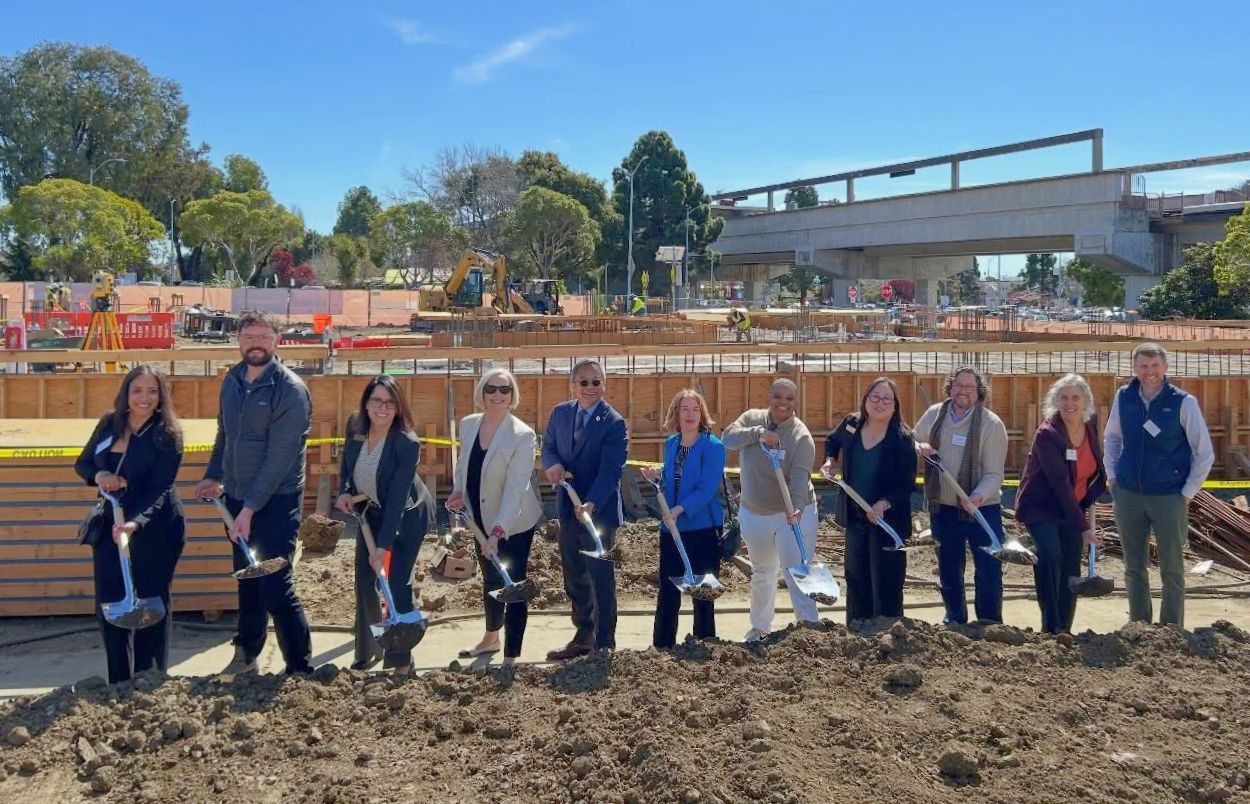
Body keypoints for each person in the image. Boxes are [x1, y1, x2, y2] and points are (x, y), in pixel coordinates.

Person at [194, 310, 313, 676]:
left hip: (276, 502)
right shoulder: (232, 381)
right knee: (247, 581)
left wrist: (248, 510)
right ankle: (246, 653)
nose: (255, 343)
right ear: (239, 341)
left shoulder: (289, 390)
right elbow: (224, 434)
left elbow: (280, 458)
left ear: (277, 340)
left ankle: (299, 666)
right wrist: (213, 475)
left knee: (276, 585)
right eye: (249, 337)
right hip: (237, 498)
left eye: (263, 336)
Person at [75, 366, 186, 685]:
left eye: (152, 391)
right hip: (111, 524)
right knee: (111, 602)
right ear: (126, 393)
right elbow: (82, 464)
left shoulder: (167, 434)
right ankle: (119, 683)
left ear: (161, 396)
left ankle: (149, 680)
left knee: (151, 601)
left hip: (156, 527)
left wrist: (135, 524)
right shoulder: (109, 424)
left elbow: (160, 489)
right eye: (137, 390)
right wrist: (99, 477)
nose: (144, 398)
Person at [1104, 343, 1213, 628]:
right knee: (1134, 566)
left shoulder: (1183, 402)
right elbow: (1112, 438)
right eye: (1143, 366)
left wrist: (1187, 493)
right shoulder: (1124, 397)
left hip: (1168, 496)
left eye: (1154, 366)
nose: (1149, 372)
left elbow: (1204, 453)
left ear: (1165, 367)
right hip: (1128, 494)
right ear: (1134, 368)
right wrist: (1113, 476)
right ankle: (1139, 624)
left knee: (1172, 568)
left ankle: (1171, 629)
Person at [334, 375, 432, 675]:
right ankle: (368, 649)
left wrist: (383, 546)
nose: (382, 408)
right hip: (371, 510)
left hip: (407, 515)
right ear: (366, 403)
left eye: (390, 402)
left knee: (396, 581)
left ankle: (402, 663)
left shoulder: (406, 443)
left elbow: (397, 498)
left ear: (398, 407)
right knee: (365, 580)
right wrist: (345, 491)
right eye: (376, 400)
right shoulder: (356, 427)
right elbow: (347, 466)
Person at [446, 368, 542, 666]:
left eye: (504, 389)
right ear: (481, 393)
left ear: (512, 395)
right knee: (490, 580)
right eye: (491, 389)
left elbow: (515, 489)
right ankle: (491, 638)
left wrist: (498, 532)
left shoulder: (522, 435)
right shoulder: (469, 424)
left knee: (512, 584)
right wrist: (458, 491)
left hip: (513, 524)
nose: (497, 395)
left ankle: (511, 656)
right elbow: (465, 464)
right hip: (480, 518)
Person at [541, 359, 628, 659]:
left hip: (598, 512)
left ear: (604, 385)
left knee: (599, 575)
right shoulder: (561, 414)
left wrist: (592, 501)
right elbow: (549, 445)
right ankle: (583, 634)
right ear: (573, 384)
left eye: (596, 382)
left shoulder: (614, 422)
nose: (590, 388)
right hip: (568, 508)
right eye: (584, 382)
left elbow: (610, 470)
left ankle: (604, 642)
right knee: (574, 573)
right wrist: (552, 464)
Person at [722, 378, 819, 642]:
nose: (783, 403)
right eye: (778, 396)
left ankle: (809, 630)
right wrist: (759, 434)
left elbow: (800, 478)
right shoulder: (752, 418)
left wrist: (796, 509)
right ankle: (760, 628)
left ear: (795, 402)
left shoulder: (801, 437)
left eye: (789, 399)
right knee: (763, 572)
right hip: (754, 513)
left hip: (791, 516)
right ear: (769, 397)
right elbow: (727, 437)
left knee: (796, 571)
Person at [914, 365, 1009, 625]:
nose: (962, 391)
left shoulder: (991, 424)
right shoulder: (936, 414)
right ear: (950, 387)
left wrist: (976, 497)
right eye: (958, 385)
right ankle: (954, 618)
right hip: (943, 508)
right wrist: (919, 446)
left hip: (982, 509)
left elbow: (994, 474)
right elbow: (913, 437)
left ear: (978, 392)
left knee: (988, 567)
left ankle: (989, 623)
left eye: (969, 386)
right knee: (949, 567)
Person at [1015, 373, 1107, 634]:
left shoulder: (1089, 428)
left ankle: (1064, 629)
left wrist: (1087, 504)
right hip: (1041, 508)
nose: (1069, 403)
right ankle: (1050, 627)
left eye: (1075, 398)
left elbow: (1093, 470)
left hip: (1071, 508)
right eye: (1064, 397)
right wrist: (1083, 527)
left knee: (1070, 563)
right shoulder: (1048, 434)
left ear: (1085, 402)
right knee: (1051, 555)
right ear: (1055, 401)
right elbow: (1059, 484)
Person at [821, 377, 916, 623]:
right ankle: (857, 629)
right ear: (865, 400)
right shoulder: (851, 424)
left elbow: (906, 485)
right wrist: (830, 460)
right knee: (856, 575)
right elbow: (832, 441)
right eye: (875, 397)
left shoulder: (902, 438)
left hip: (887, 523)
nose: (880, 403)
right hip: (856, 517)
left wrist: (883, 504)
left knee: (886, 578)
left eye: (887, 399)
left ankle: (887, 630)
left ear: (895, 406)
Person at [641, 389, 727, 648]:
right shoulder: (671, 444)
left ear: (702, 415)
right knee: (668, 592)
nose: (689, 414)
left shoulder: (713, 446)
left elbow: (707, 487)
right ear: (675, 414)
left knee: (703, 592)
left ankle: (704, 642)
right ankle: (662, 646)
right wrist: (657, 480)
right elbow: (671, 481)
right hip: (672, 528)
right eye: (684, 409)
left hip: (702, 528)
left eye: (695, 409)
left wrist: (679, 509)